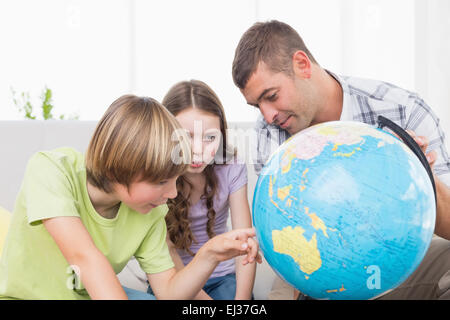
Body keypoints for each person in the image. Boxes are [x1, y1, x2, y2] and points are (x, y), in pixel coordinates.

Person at [232, 20, 450, 299]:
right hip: (317, 273)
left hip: (397, 264)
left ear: (302, 64)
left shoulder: (402, 109)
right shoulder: (269, 133)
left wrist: (418, 170)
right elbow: (283, 235)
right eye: (257, 105)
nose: (267, 115)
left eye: (271, 96)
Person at [0, 94, 261, 300]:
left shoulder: (150, 212)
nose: (171, 194)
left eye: (175, 180)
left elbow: (169, 292)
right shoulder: (51, 170)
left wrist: (209, 254)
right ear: (121, 167)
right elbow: (86, 259)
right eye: (161, 181)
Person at [147, 79, 256, 300]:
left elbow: (244, 242)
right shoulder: (154, 173)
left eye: (210, 138)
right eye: (186, 136)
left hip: (223, 279)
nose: (198, 150)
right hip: (175, 281)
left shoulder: (231, 167)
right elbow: (167, 253)